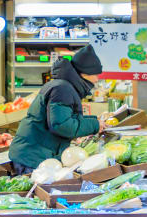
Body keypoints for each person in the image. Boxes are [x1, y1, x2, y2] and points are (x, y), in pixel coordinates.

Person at [9, 44, 106, 173]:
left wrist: (95, 121)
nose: (97, 79)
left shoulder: (62, 86)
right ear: (84, 73)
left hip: (32, 152)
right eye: (96, 74)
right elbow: (61, 125)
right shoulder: (63, 89)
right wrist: (94, 125)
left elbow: (64, 118)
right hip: (32, 157)